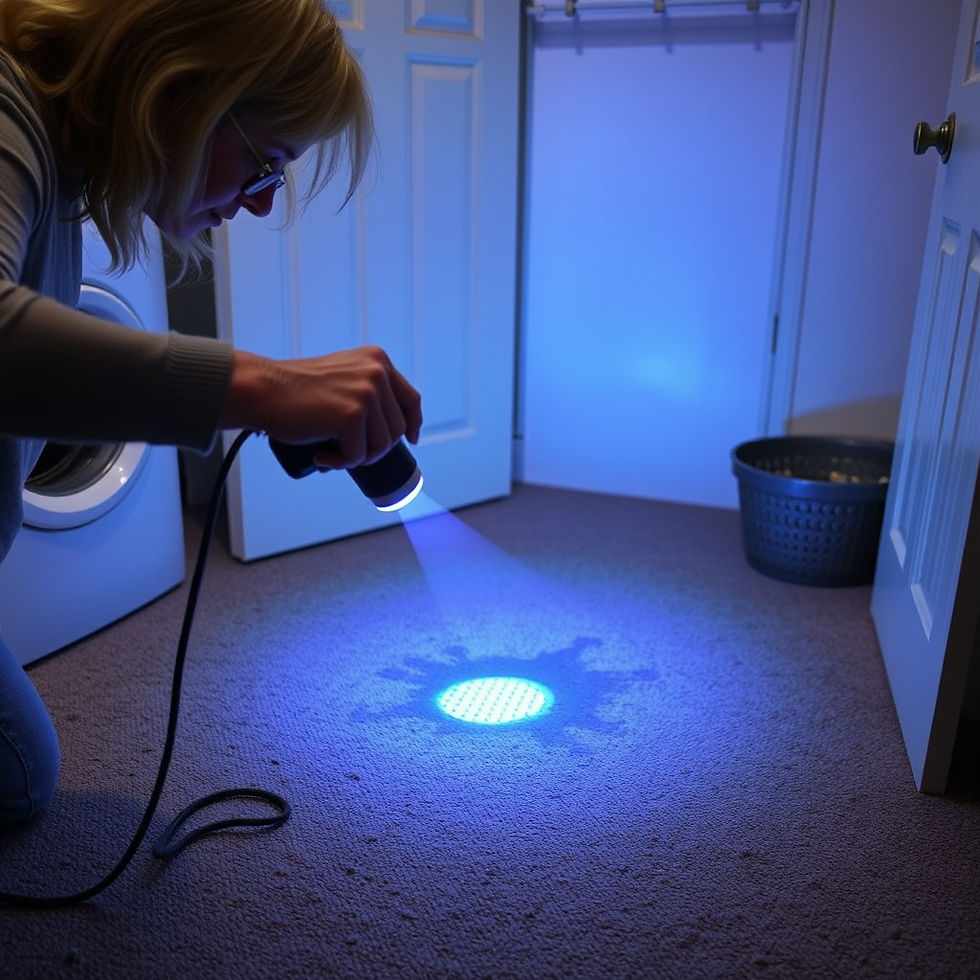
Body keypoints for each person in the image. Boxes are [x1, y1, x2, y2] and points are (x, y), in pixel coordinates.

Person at [0, 0, 422, 830]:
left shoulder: (59, 170)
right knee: (21, 779)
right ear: (185, 84)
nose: (262, 205)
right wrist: (261, 385)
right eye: (266, 164)